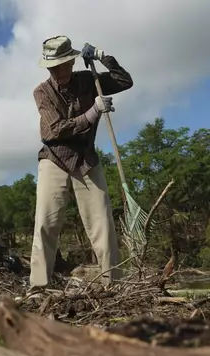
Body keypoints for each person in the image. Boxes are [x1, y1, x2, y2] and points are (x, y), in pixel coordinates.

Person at [28, 35, 134, 292]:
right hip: (55, 159)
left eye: (62, 65)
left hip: (86, 160)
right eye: (52, 67)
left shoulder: (88, 80)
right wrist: (92, 113)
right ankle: (39, 286)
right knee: (46, 223)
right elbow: (53, 131)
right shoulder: (42, 92)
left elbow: (124, 81)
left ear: (72, 62)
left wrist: (102, 55)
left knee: (102, 223)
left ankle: (113, 285)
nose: (57, 72)